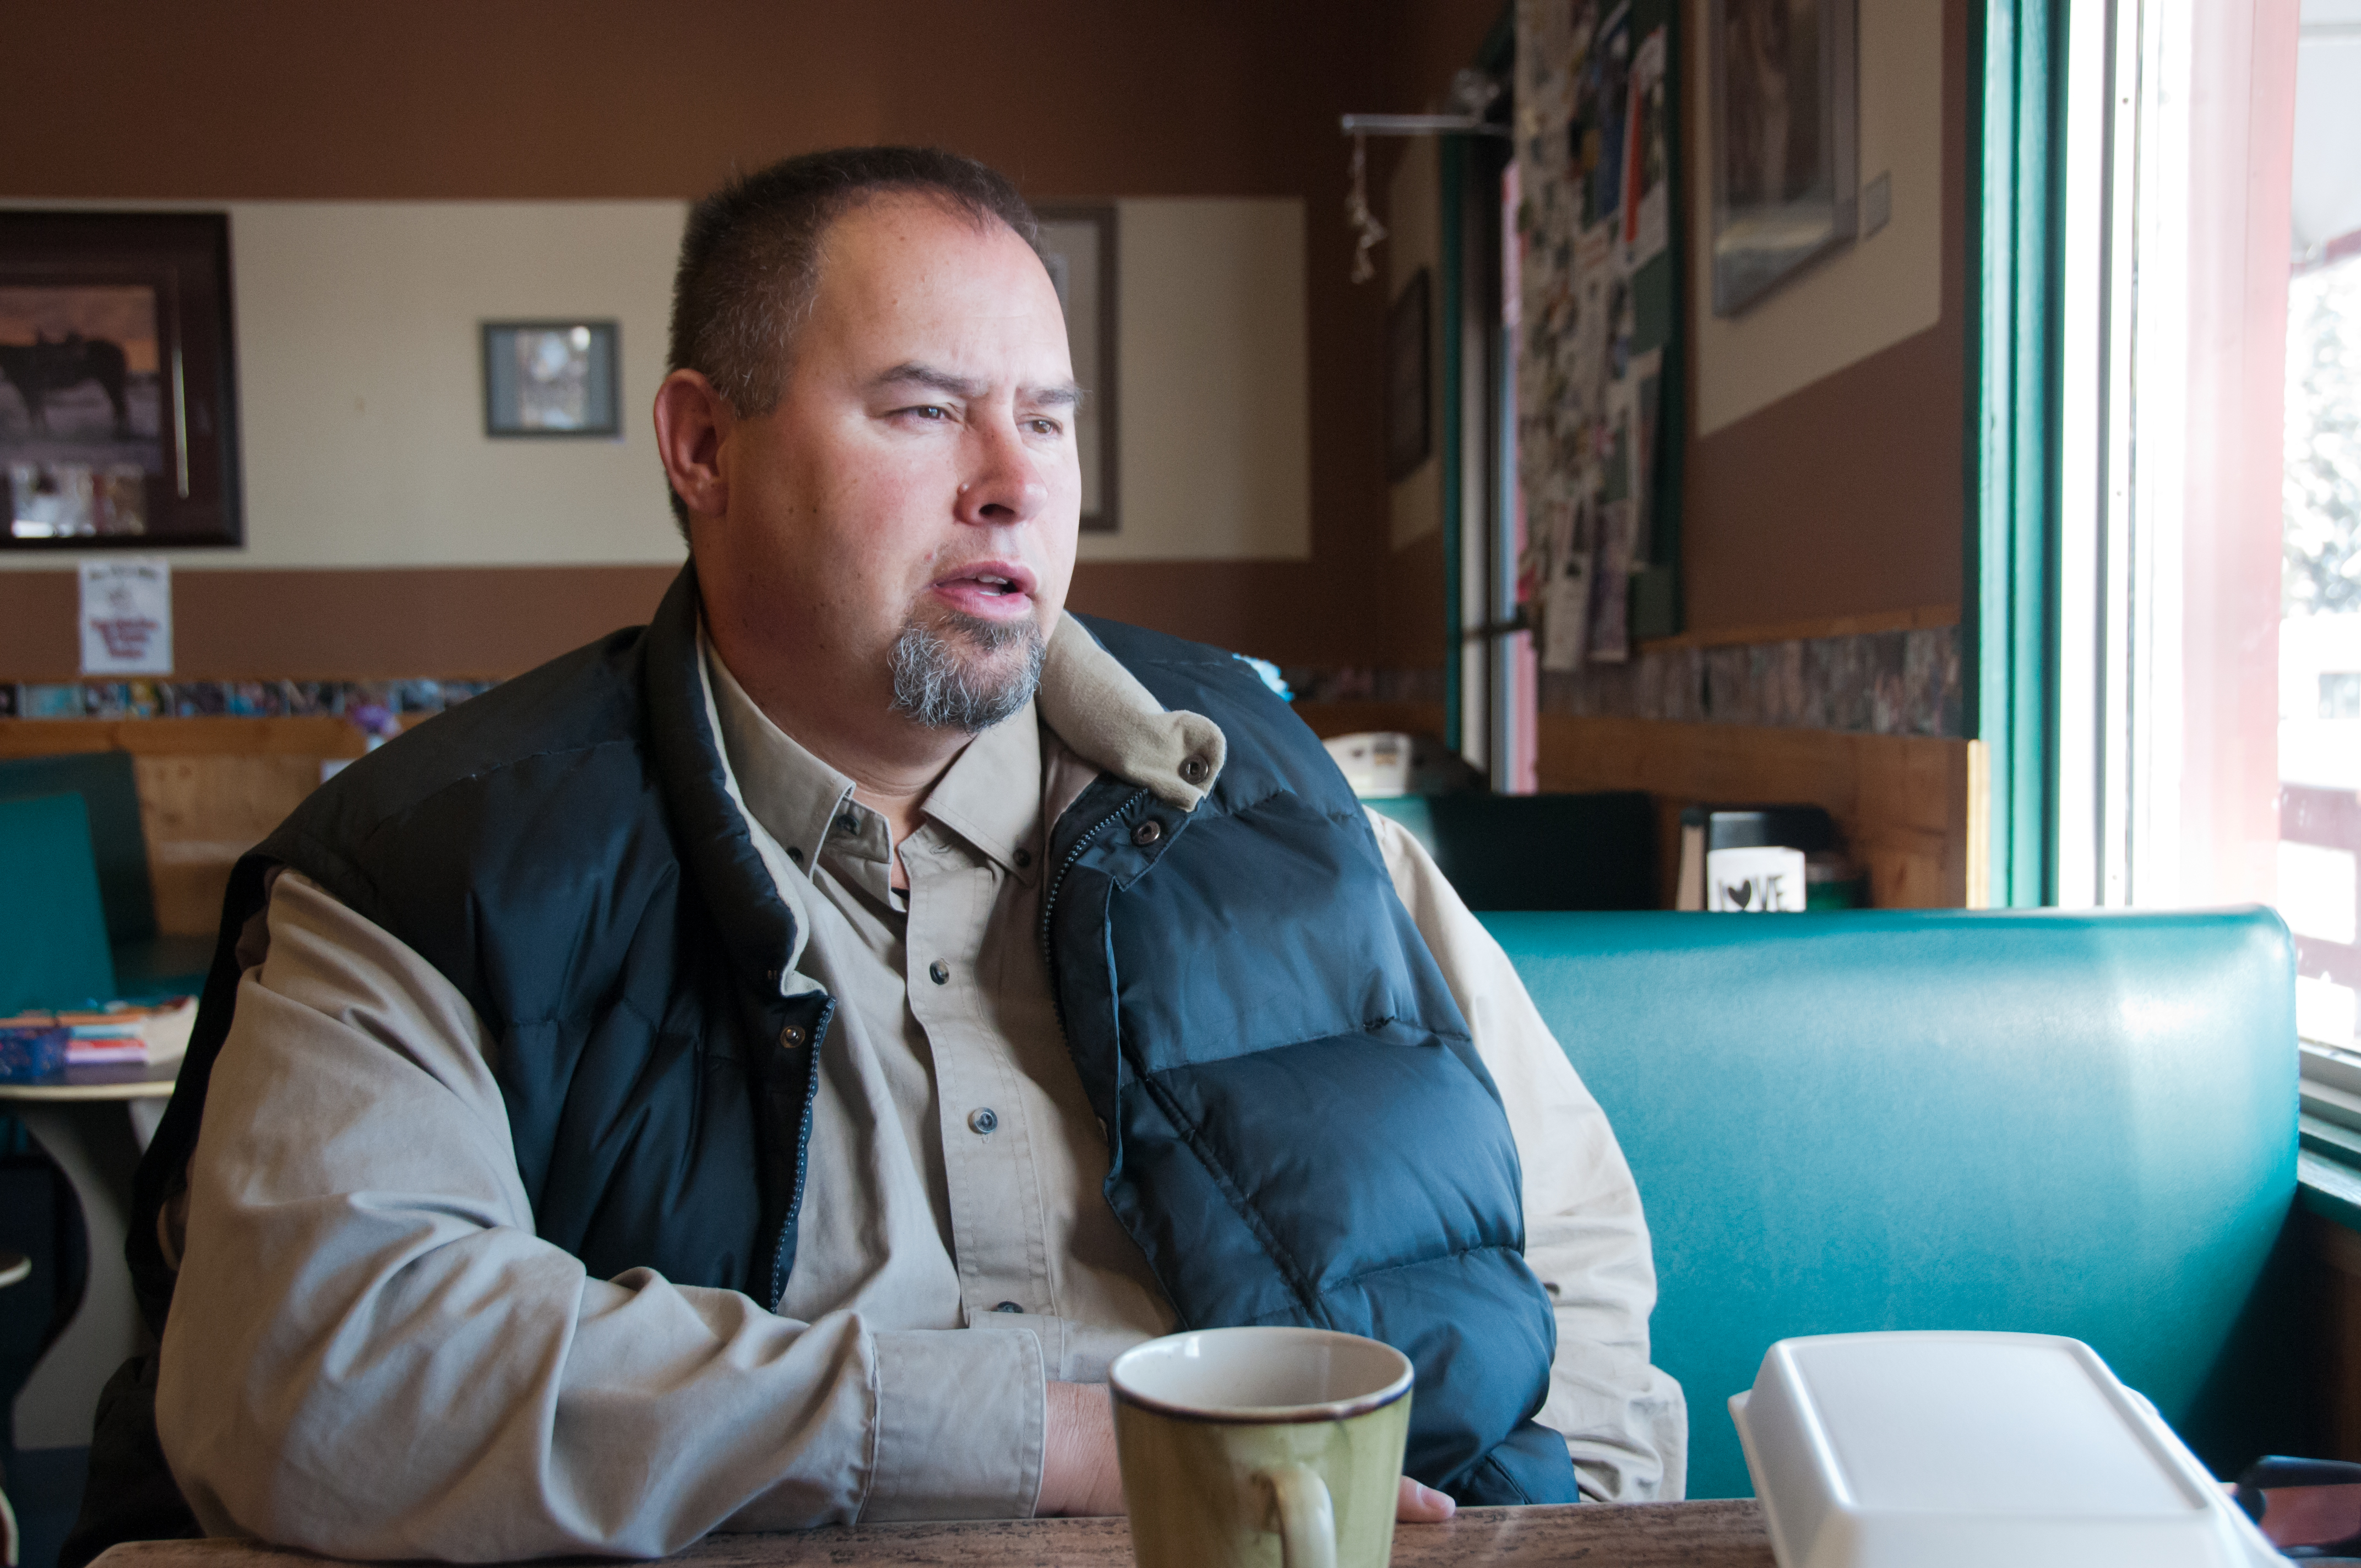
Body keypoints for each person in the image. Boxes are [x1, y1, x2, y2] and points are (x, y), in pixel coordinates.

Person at [69, 146, 1684, 1561]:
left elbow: (1574, 1242)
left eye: (1047, 420)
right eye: (924, 410)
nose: (1012, 482)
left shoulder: (1264, 787)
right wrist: (1064, 1443)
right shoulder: (428, 867)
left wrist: (1567, 1538)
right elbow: (312, 1368)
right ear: (702, 448)